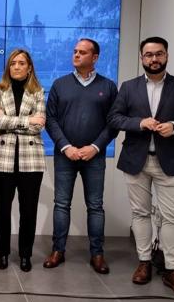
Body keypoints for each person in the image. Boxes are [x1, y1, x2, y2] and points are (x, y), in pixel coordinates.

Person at [107, 36, 174, 295]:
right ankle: (144, 263)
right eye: (148, 55)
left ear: (167, 56)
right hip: (135, 160)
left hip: (168, 161)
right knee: (140, 214)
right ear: (141, 58)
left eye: (159, 54)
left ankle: (172, 271)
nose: (154, 59)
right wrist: (139, 123)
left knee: (172, 217)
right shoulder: (129, 87)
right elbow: (114, 118)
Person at [44, 38, 118, 274]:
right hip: (65, 155)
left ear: (94, 58)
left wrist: (95, 147)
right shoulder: (59, 84)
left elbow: (113, 123)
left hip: (94, 157)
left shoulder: (108, 87)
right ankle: (58, 250)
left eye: (82, 52)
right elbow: (50, 119)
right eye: (75, 51)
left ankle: (97, 254)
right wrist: (66, 146)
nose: (76, 55)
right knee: (61, 204)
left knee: (95, 206)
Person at [0, 49, 46, 272]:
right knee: (2, 208)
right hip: (1, 158)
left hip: (31, 160)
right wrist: (27, 121)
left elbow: (39, 125)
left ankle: (25, 255)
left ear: (29, 67)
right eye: (13, 63)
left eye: (21, 63)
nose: (17, 67)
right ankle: (2, 253)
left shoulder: (38, 91)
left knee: (28, 211)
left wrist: (20, 122)